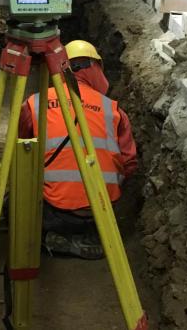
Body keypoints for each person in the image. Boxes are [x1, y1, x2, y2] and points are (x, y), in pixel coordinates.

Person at [18, 40, 137, 260]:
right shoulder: (114, 110)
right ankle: (90, 236)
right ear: (95, 67)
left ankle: (49, 237)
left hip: (52, 210)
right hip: (100, 211)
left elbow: (22, 152)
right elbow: (129, 164)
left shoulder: (35, 103)